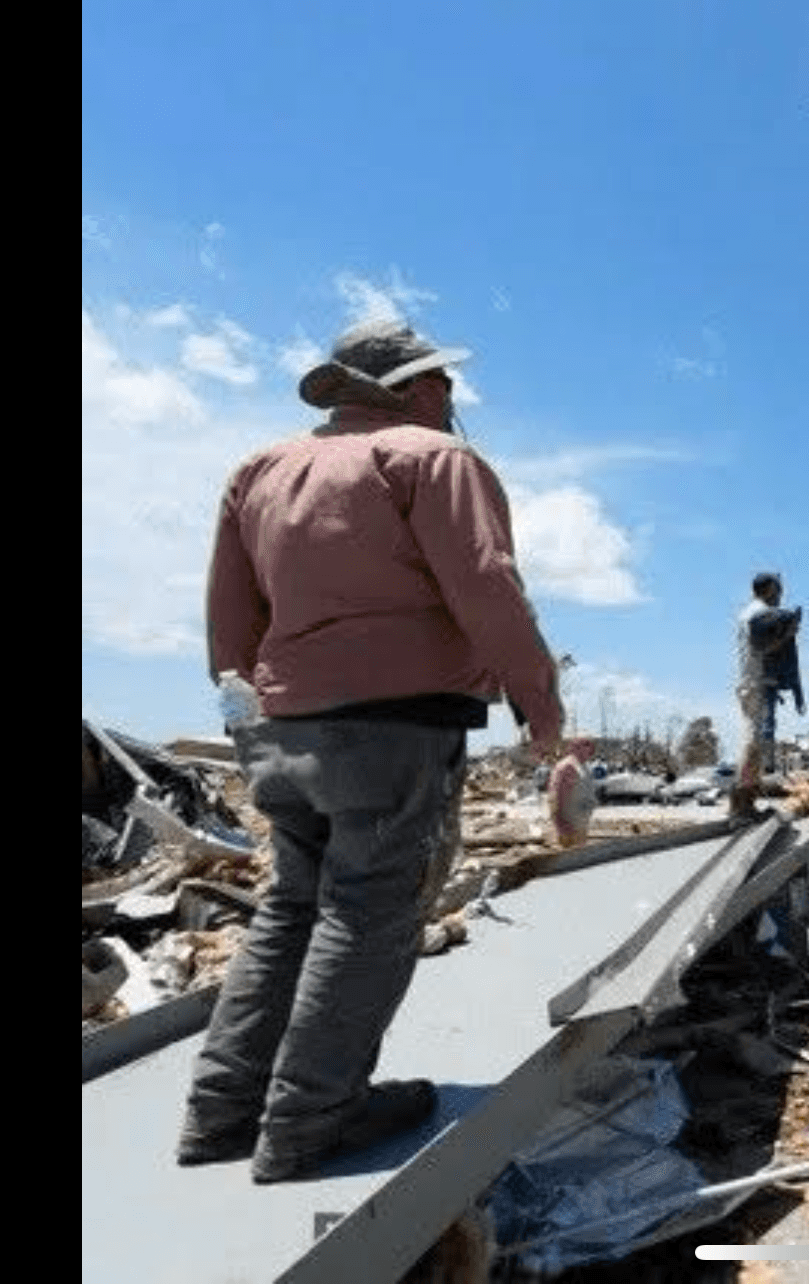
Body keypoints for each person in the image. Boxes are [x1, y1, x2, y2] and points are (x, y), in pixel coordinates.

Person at [176, 317, 568, 1184]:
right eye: (447, 387)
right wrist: (542, 714)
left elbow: (229, 623)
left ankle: (220, 1111)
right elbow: (488, 588)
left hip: (280, 729)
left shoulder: (259, 471)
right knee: (367, 914)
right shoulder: (434, 461)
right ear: (419, 388)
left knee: (291, 910)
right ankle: (312, 1119)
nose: (453, 402)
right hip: (395, 728)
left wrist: (256, 716)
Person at [732, 570, 803, 817]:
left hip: (755, 683)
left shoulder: (750, 612)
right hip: (755, 684)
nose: (781, 596)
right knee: (754, 743)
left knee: (756, 743)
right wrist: (788, 631)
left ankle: (746, 801)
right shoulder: (758, 613)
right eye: (779, 590)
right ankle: (741, 803)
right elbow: (761, 646)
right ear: (770, 589)